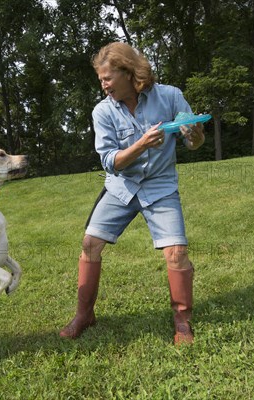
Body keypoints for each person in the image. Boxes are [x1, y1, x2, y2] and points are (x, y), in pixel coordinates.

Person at [59, 42, 205, 344]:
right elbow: (110, 162)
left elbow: (194, 143)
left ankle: (182, 322)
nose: (103, 84)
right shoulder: (102, 111)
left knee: (176, 252)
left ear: (129, 73)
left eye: (108, 78)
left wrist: (196, 134)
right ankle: (84, 315)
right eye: (100, 79)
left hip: (161, 186)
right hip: (121, 187)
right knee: (90, 244)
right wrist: (141, 144)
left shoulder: (170, 96)